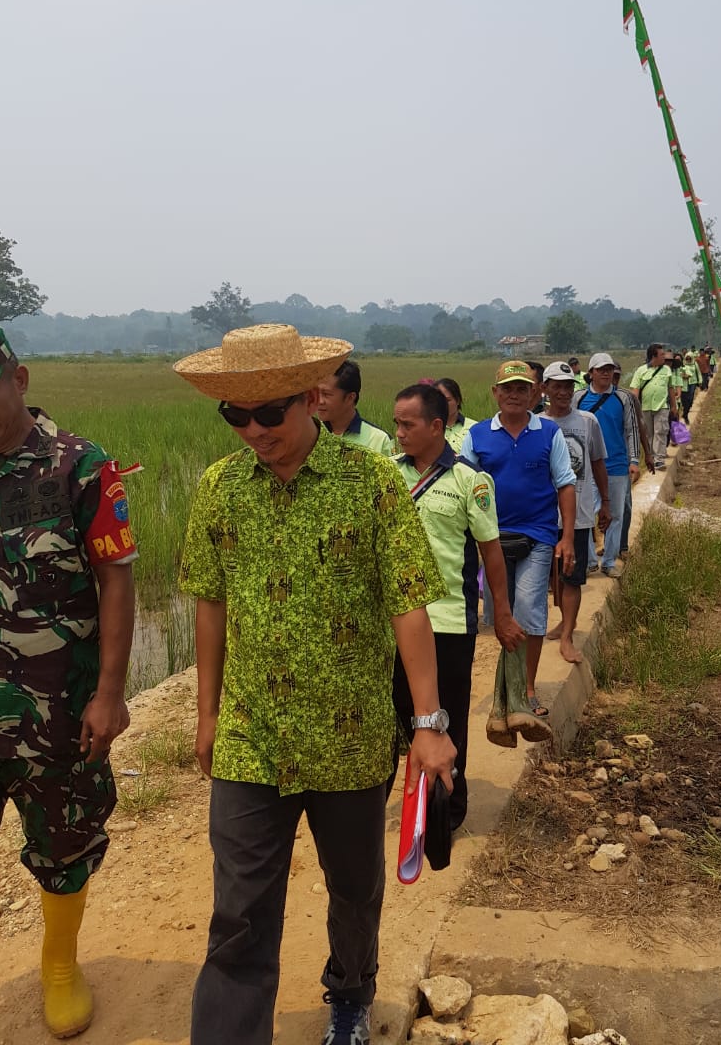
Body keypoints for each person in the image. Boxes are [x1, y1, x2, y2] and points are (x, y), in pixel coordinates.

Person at [174, 325, 455, 1045]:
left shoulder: (372, 483)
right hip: (250, 737)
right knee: (239, 912)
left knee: (354, 892)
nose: (253, 431)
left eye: (268, 413)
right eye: (235, 416)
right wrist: (206, 716)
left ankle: (351, 994)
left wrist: (429, 724)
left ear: (310, 398)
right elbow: (210, 604)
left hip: (349, 736)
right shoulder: (219, 488)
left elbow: (408, 603)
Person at [0, 326, 137, 1039]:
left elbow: (115, 578)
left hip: (57, 706)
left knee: (66, 840)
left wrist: (109, 692)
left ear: (19, 378)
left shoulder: (79, 466)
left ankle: (59, 964)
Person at [392, 384, 523, 828]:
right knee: (397, 713)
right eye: (395, 424)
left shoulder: (471, 481)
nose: (399, 433)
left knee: (446, 715)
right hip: (393, 620)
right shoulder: (388, 475)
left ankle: (448, 807)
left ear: (436, 426)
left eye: (407, 425)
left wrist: (501, 614)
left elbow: (491, 554)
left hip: (448, 620)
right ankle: (394, 801)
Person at [460, 361, 576, 717]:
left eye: (522, 388)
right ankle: (507, 687)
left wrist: (566, 537)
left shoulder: (548, 433)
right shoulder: (478, 435)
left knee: (529, 609)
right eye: (507, 388)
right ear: (495, 393)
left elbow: (565, 483)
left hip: (538, 534)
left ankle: (525, 690)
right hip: (491, 539)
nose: (513, 395)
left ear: (534, 393)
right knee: (499, 616)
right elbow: (463, 483)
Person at [541, 362, 611, 663]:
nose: (563, 392)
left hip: (579, 515)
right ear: (544, 388)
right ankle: (562, 620)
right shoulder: (536, 424)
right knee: (553, 578)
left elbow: (596, 463)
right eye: (556, 386)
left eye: (568, 386)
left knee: (572, 576)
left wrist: (605, 502)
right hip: (543, 515)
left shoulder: (587, 421)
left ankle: (568, 635)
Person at [573, 353, 640, 577]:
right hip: (585, 467)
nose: (606, 373)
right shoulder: (578, 398)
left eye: (609, 369)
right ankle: (590, 560)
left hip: (617, 465)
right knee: (585, 514)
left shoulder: (623, 398)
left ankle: (609, 562)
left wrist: (634, 460)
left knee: (615, 514)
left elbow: (631, 431)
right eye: (601, 369)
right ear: (590, 373)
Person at [317, 359, 394, 455]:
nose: (319, 401)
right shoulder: (310, 435)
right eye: (316, 393)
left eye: (326, 394)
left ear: (350, 398)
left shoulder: (379, 440)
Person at [630, 344, 678, 471]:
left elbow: (670, 388)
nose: (664, 357)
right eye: (661, 355)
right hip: (645, 407)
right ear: (654, 356)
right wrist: (633, 408)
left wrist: (674, 406)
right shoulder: (641, 371)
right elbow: (635, 390)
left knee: (660, 431)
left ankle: (659, 459)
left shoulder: (666, 370)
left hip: (662, 406)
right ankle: (651, 457)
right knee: (649, 434)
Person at [433, 377, 476, 454]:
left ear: (458, 400)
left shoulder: (474, 428)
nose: (442, 404)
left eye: (447, 400)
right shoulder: (427, 429)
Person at [681, 352, 702, 416]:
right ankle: (686, 406)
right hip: (686, 382)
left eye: (689, 359)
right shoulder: (684, 364)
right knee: (686, 395)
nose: (688, 360)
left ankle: (689, 405)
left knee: (691, 394)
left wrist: (700, 381)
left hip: (693, 382)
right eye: (687, 359)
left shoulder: (695, 364)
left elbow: (698, 373)